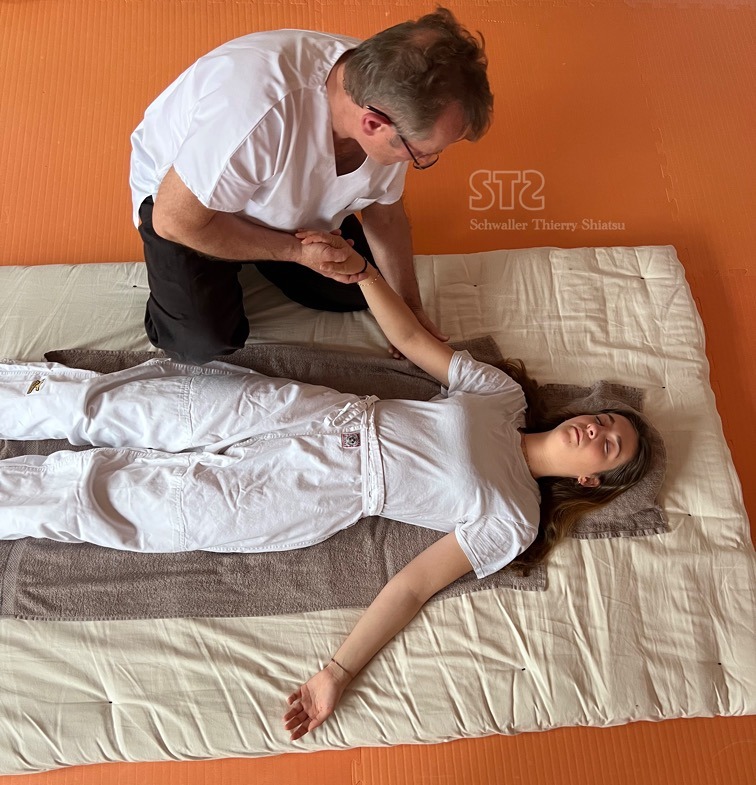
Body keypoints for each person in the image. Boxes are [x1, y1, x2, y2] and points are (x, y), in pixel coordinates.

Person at [0, 231, 653, 740]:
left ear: (590, 478)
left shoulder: (515, 519)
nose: (596, 429)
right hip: (316, 413)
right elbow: (409, 338)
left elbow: (413, 584)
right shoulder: (502, 395)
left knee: (138, 502)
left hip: (315, 492)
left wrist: (336, 672)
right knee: (130, 406)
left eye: (609, 444)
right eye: (604, 419)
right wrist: (365, 272)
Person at [129, 7, 493, 364]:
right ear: (372, 124)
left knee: (361, 291)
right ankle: (224, 265)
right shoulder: (256, 112)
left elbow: (386, 215)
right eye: (422, 154)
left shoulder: (393, 91)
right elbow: (173, 220)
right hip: (186, 205)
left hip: (280, 199)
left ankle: (263, 245)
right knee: (201, 342)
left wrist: (409, 307)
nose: (424, 161)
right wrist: (294, 252)